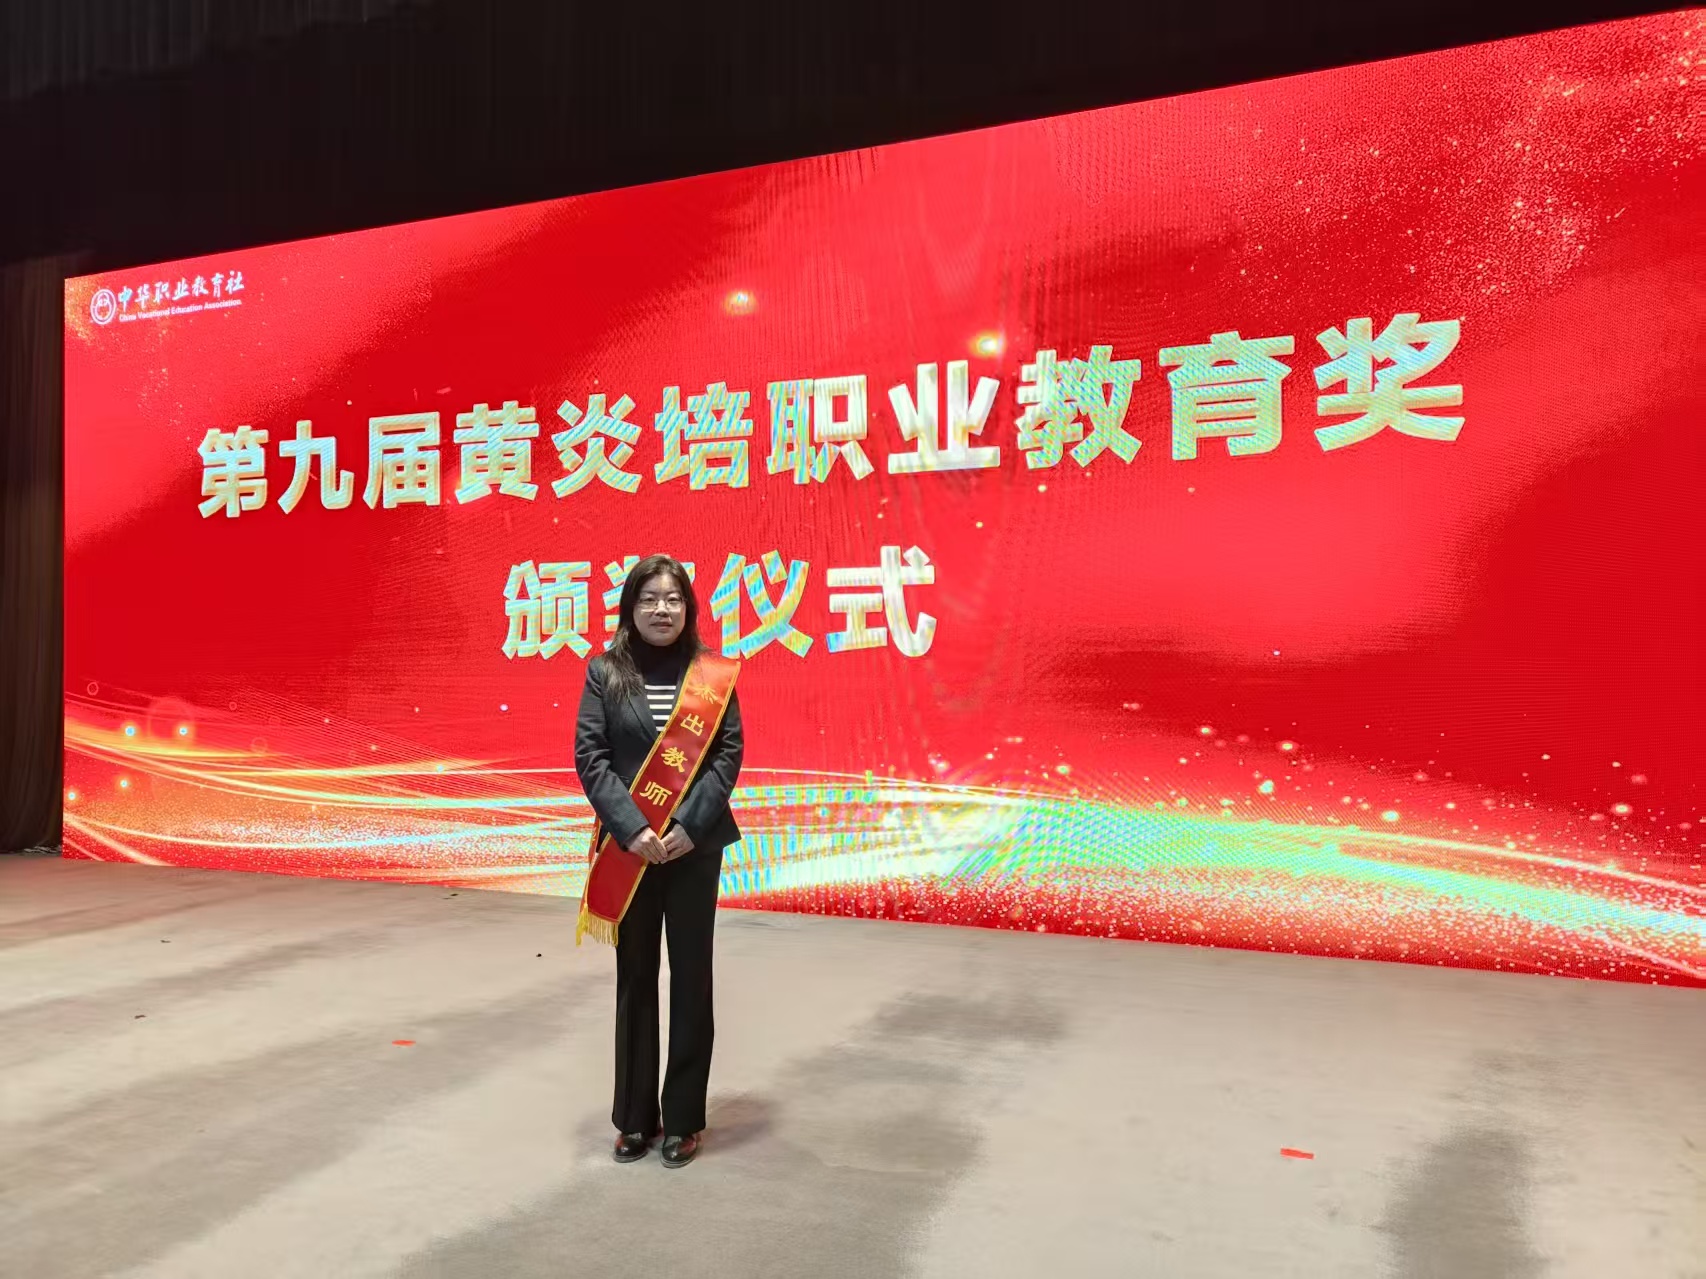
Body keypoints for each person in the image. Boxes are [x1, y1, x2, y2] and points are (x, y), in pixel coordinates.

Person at [573, 554, 744, 1169]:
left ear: (688, 608)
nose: (661, 609)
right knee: (636, 979)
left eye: (673, 599)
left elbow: (727, 754)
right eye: (649, 598)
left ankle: (684, 1119)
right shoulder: (605, 673)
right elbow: (591, 756)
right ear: (630, 607)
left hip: (694, 851)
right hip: (632, 850)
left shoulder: (712, 674)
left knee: (692, 980)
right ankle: (634, 1119)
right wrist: (635, 827)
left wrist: (689, 826)